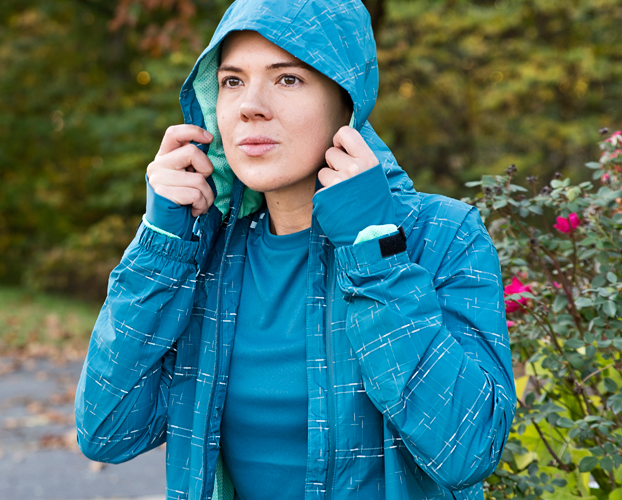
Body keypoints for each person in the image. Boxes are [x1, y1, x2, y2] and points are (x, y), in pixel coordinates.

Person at [74, 1, 515, 499]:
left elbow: (469, 450)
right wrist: (161, 246)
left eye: (288, 79)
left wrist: (373, 252)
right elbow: (107, 431)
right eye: (232, 81)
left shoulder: (441, 236)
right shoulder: (208, 253)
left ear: (348, 102)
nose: (250, 105)